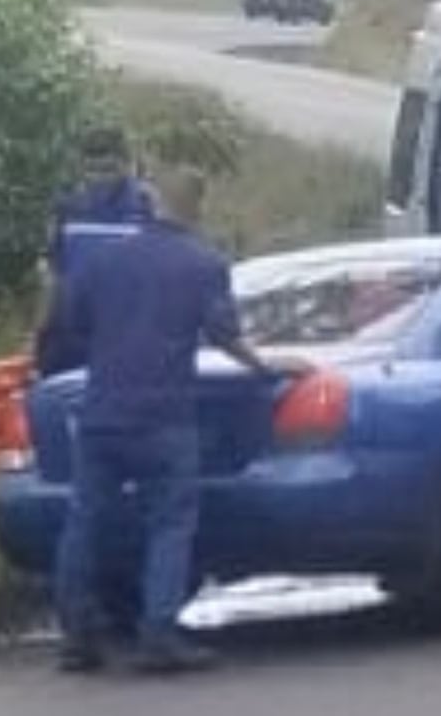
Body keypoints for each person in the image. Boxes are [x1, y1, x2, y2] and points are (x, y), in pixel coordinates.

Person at [54, 164, 310, 674]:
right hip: (164, 417)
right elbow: (222, 333)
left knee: (84, 521)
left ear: (151, 202)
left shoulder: (105, 258)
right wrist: (266, 365)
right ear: (197, 207)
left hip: (103, 412)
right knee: (169, 525)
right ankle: (159, 635)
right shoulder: (203, 264)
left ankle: (78, 635)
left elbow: (72, 322)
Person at [34, 125, 156, 378]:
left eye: (108, 170)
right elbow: (51, 275)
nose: (100, 178)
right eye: (92, 170)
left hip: (127, 335)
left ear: (126, 163)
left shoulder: (148, 206)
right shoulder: (67, 206)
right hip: (69, 335)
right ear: (80, 167)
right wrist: (39, 332)